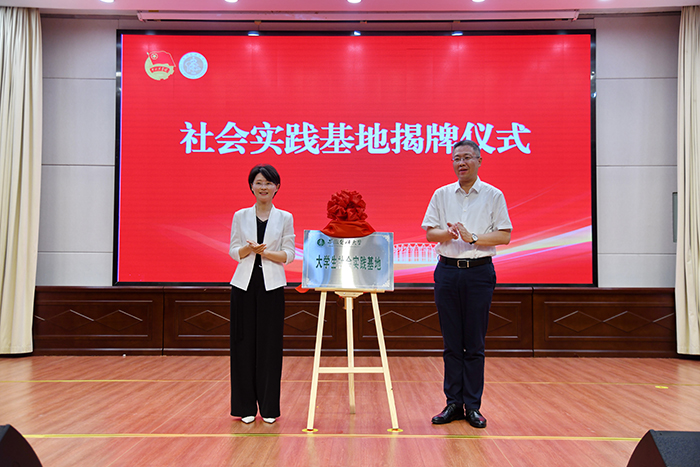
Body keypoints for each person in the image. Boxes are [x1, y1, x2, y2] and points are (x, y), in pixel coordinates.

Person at [421, 139, 512, 428]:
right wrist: (448, 234)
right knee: (451, 343)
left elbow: (504, 235)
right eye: (456, 158)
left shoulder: (493, 195)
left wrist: (473, 238)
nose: (461, 163)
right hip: (447, 272)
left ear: (479, 161)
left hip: (478, 273)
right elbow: (430, 234)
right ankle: (453, 403)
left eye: (467, 158)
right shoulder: (441, 194)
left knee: (474, 343)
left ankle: (472, 406)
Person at [229, 164, 295, 424]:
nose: (263, 187)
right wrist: (249, 250)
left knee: (269, 347)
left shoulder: (285, 217)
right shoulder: (240, 215)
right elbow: (233, 250)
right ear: (251, 186)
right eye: (258, 182)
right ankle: (245, 407)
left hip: (272, 286)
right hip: (243, 285)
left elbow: (289, 254)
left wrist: (265, 252)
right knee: (242, 345)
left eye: (268, 183)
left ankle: (268, 408)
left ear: (277, 187)